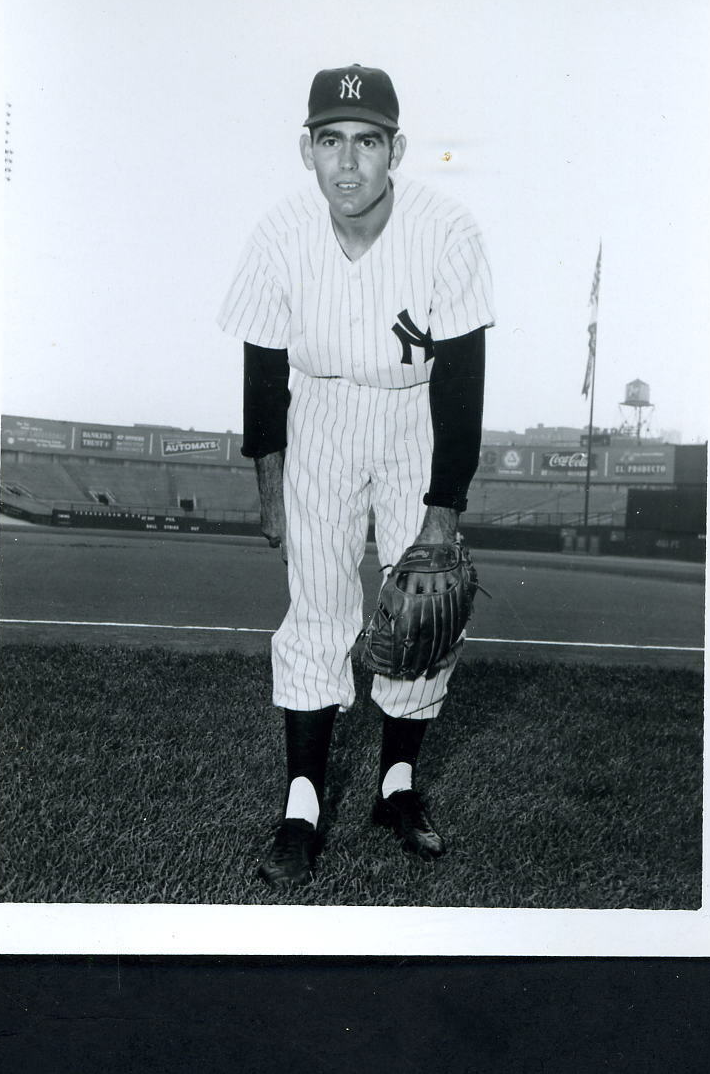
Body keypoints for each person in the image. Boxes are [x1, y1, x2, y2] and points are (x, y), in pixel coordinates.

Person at [218, 63, 494, 889]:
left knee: (424, 614)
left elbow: (463, 380)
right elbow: (263, 370)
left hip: (416, 416)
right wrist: (271, 492)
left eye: (366, 142)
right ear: (306, 150)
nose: (347, 163)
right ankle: (302, 803)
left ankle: (396, 786)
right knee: (317, 606)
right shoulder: (277, 234)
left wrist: (443, 511)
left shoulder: (448, 232)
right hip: (322, 417)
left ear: (396, 149)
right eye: (330, 141)